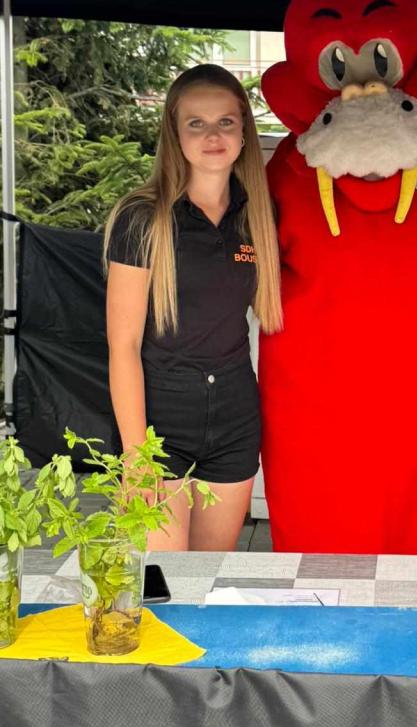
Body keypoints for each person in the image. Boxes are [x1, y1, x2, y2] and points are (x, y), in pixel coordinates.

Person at [103, 64, 282, 550]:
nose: (212, 136)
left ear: (243, 131)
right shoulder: (144, 217)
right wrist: (137, 456)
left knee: (208, 581)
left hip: (235, 422)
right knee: (161, 584)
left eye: (225, 122)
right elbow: (122, 346)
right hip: (159, 426)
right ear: (174, 133)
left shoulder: (258, 216)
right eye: (196, 123)